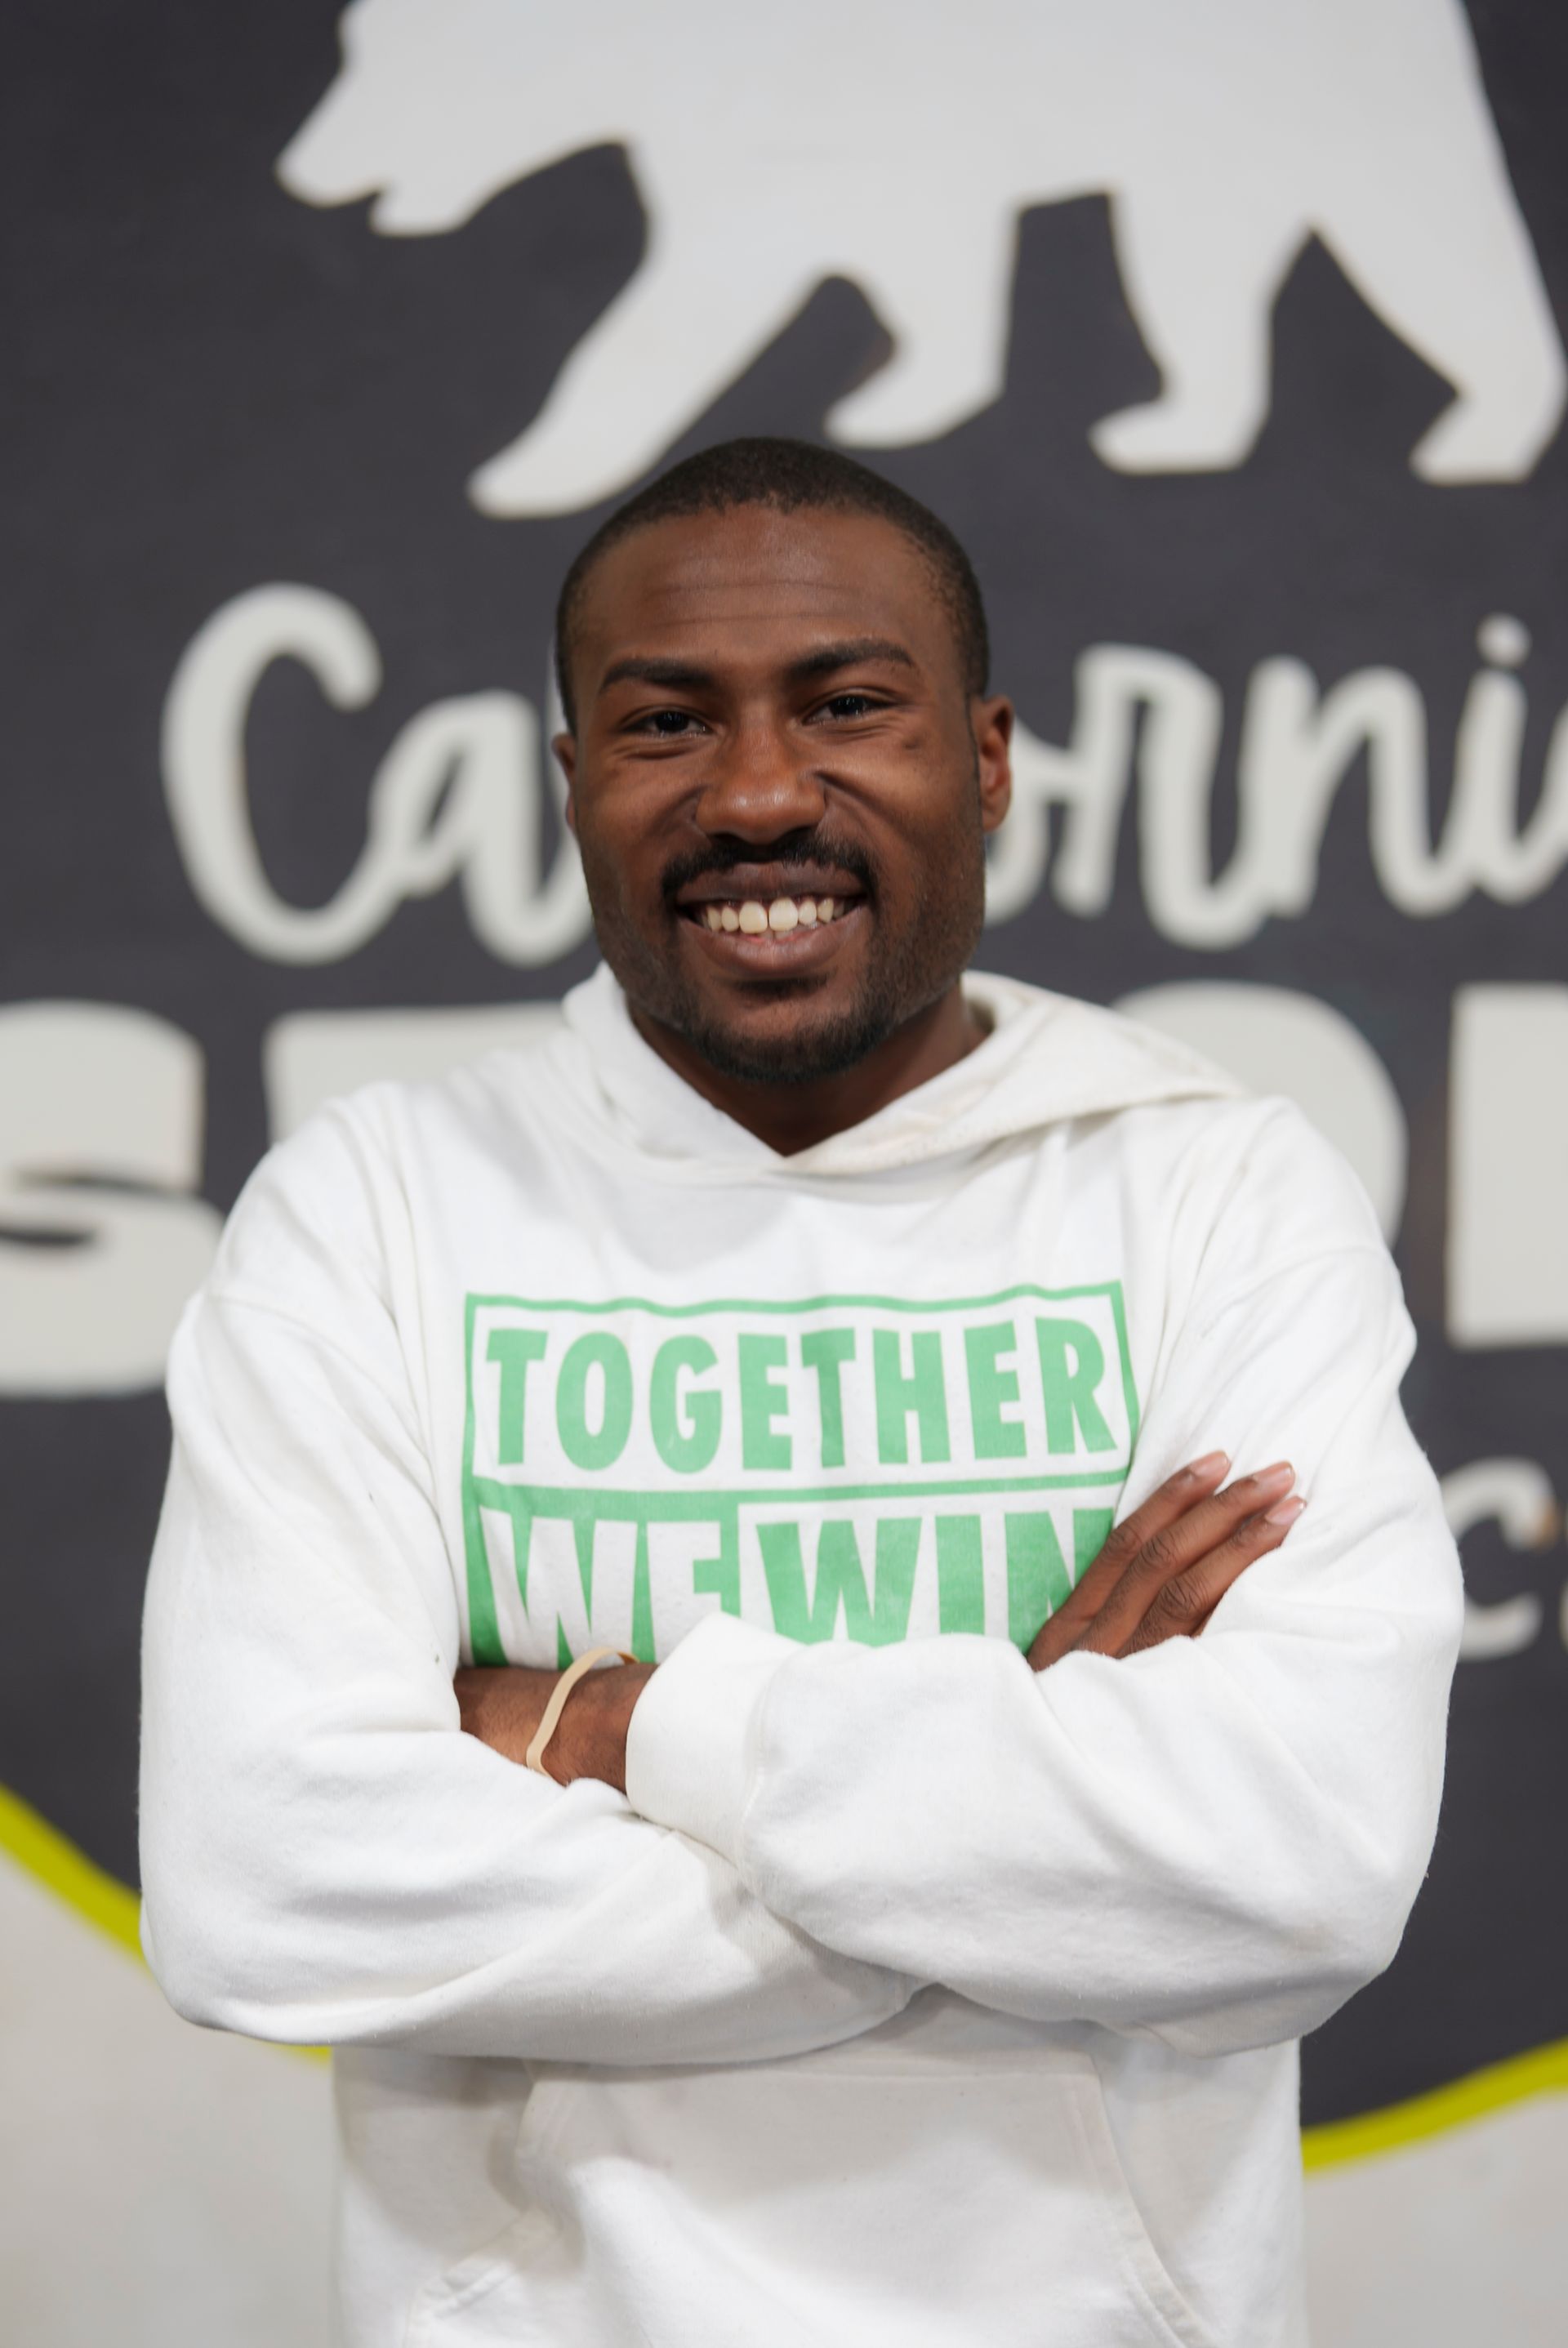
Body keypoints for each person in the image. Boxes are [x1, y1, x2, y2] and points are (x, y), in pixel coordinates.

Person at [140, 437, 1462, 2347]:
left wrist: (620, 1728)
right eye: (667, 721)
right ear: (575, 779)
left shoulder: (1212, 1186)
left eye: (848, 704)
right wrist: (1018, 1829)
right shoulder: (376, 1208)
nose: (761, 792)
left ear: (986, 758)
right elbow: (266, 1881)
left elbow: (1299, 1861)